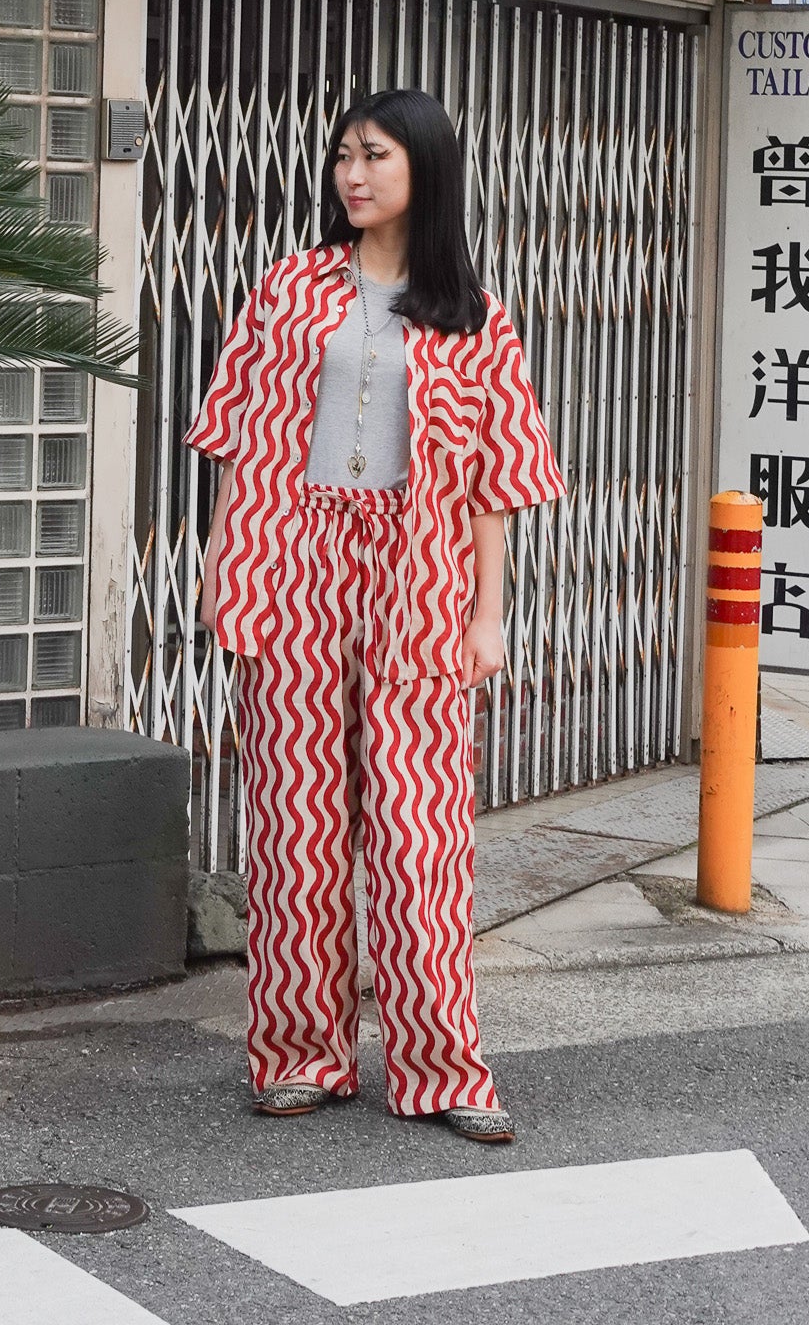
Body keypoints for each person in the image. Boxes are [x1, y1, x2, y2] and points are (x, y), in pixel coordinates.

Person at [192, 86, 564, 1142]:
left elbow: (498, 481)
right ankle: (301, 1051)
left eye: (377, 157)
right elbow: (239, 440)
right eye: (345, 156)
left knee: (419, 833)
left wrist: (489, 616)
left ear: (425, 173)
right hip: (298, 558)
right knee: (297, 825)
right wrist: (229, 566)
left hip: (421, 573)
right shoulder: (288, 290)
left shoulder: (475, 314)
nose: (353, 175)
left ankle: (443, 1067)